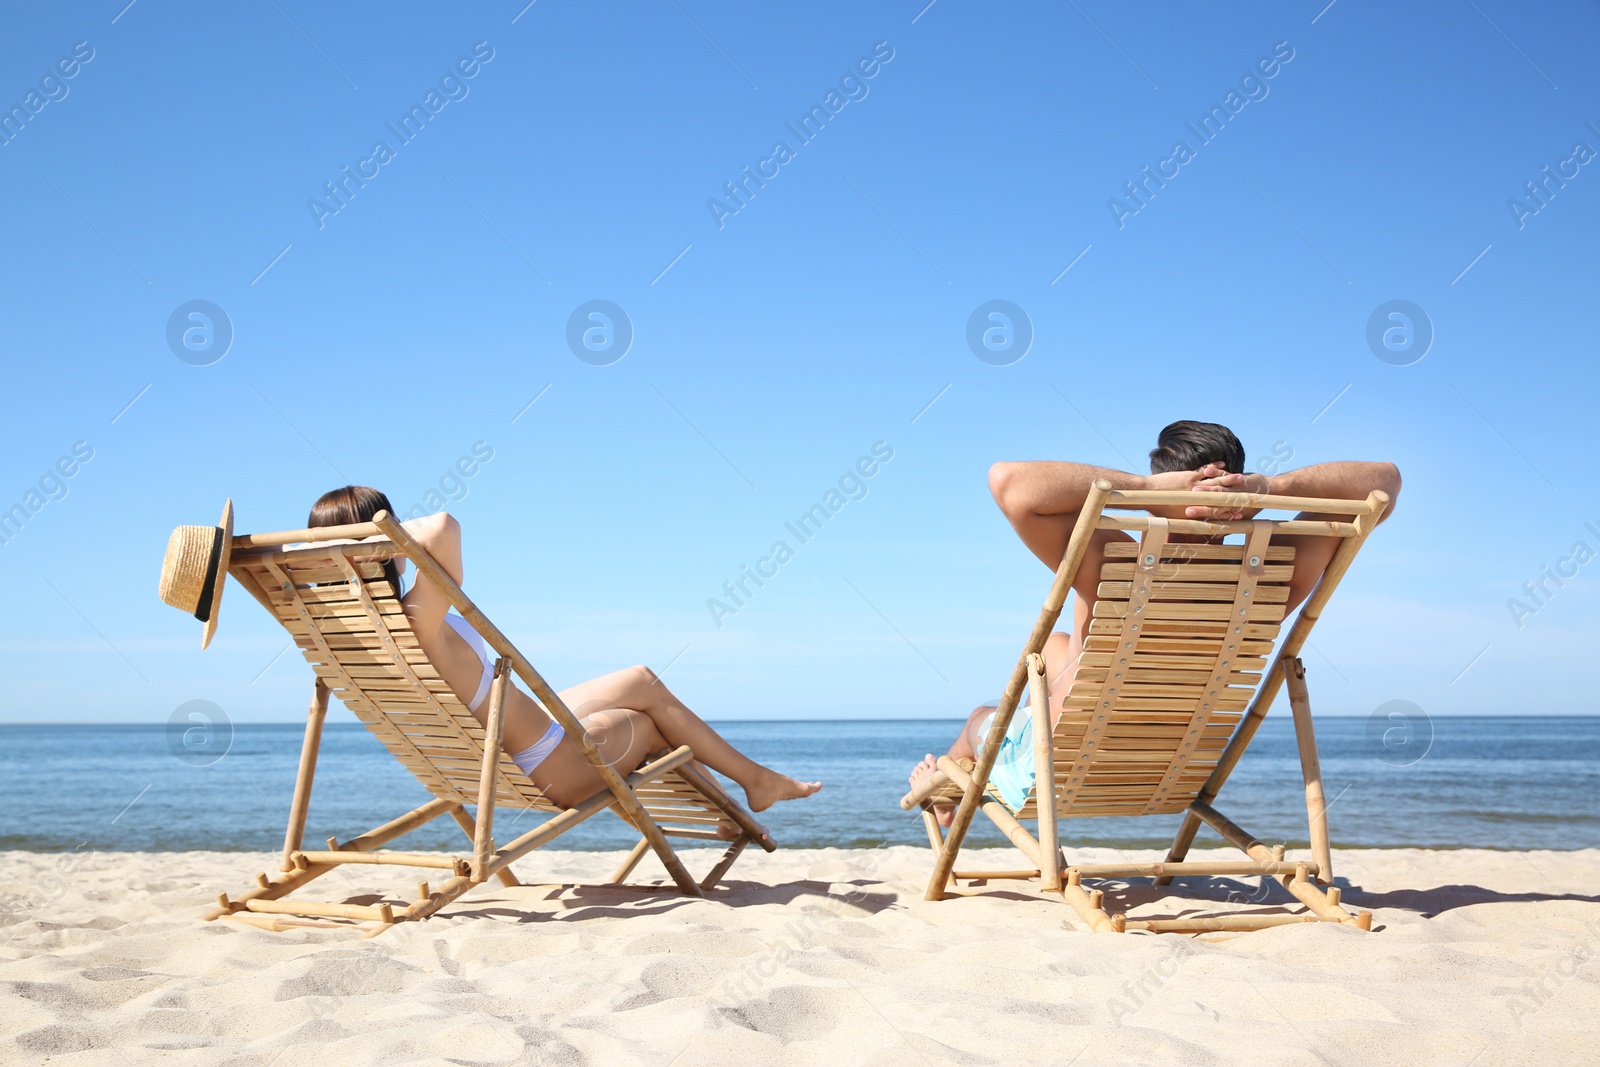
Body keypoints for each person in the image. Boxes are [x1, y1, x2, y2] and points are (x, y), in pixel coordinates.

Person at [909, 420, 1401, 823]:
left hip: (1056, 767)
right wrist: (1268, 490)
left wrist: (1144, 490)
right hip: (1168, 767)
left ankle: (948, 785)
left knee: (981, 717)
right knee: (1062, 645)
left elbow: (1009, 482)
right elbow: (1386, 482)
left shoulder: (1116, 563)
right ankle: (958, 775)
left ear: (1168, 483)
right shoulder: (1272, 575)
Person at [307, 486, 822, 816]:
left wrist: (336, 550)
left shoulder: (353, 631)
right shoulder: (417, 620)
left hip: (526, 743)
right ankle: (752, 788)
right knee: (652, 717)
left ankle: (749, 787)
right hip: (552, 768)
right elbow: (443, 525)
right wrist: (379, 536)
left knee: (639, 679)